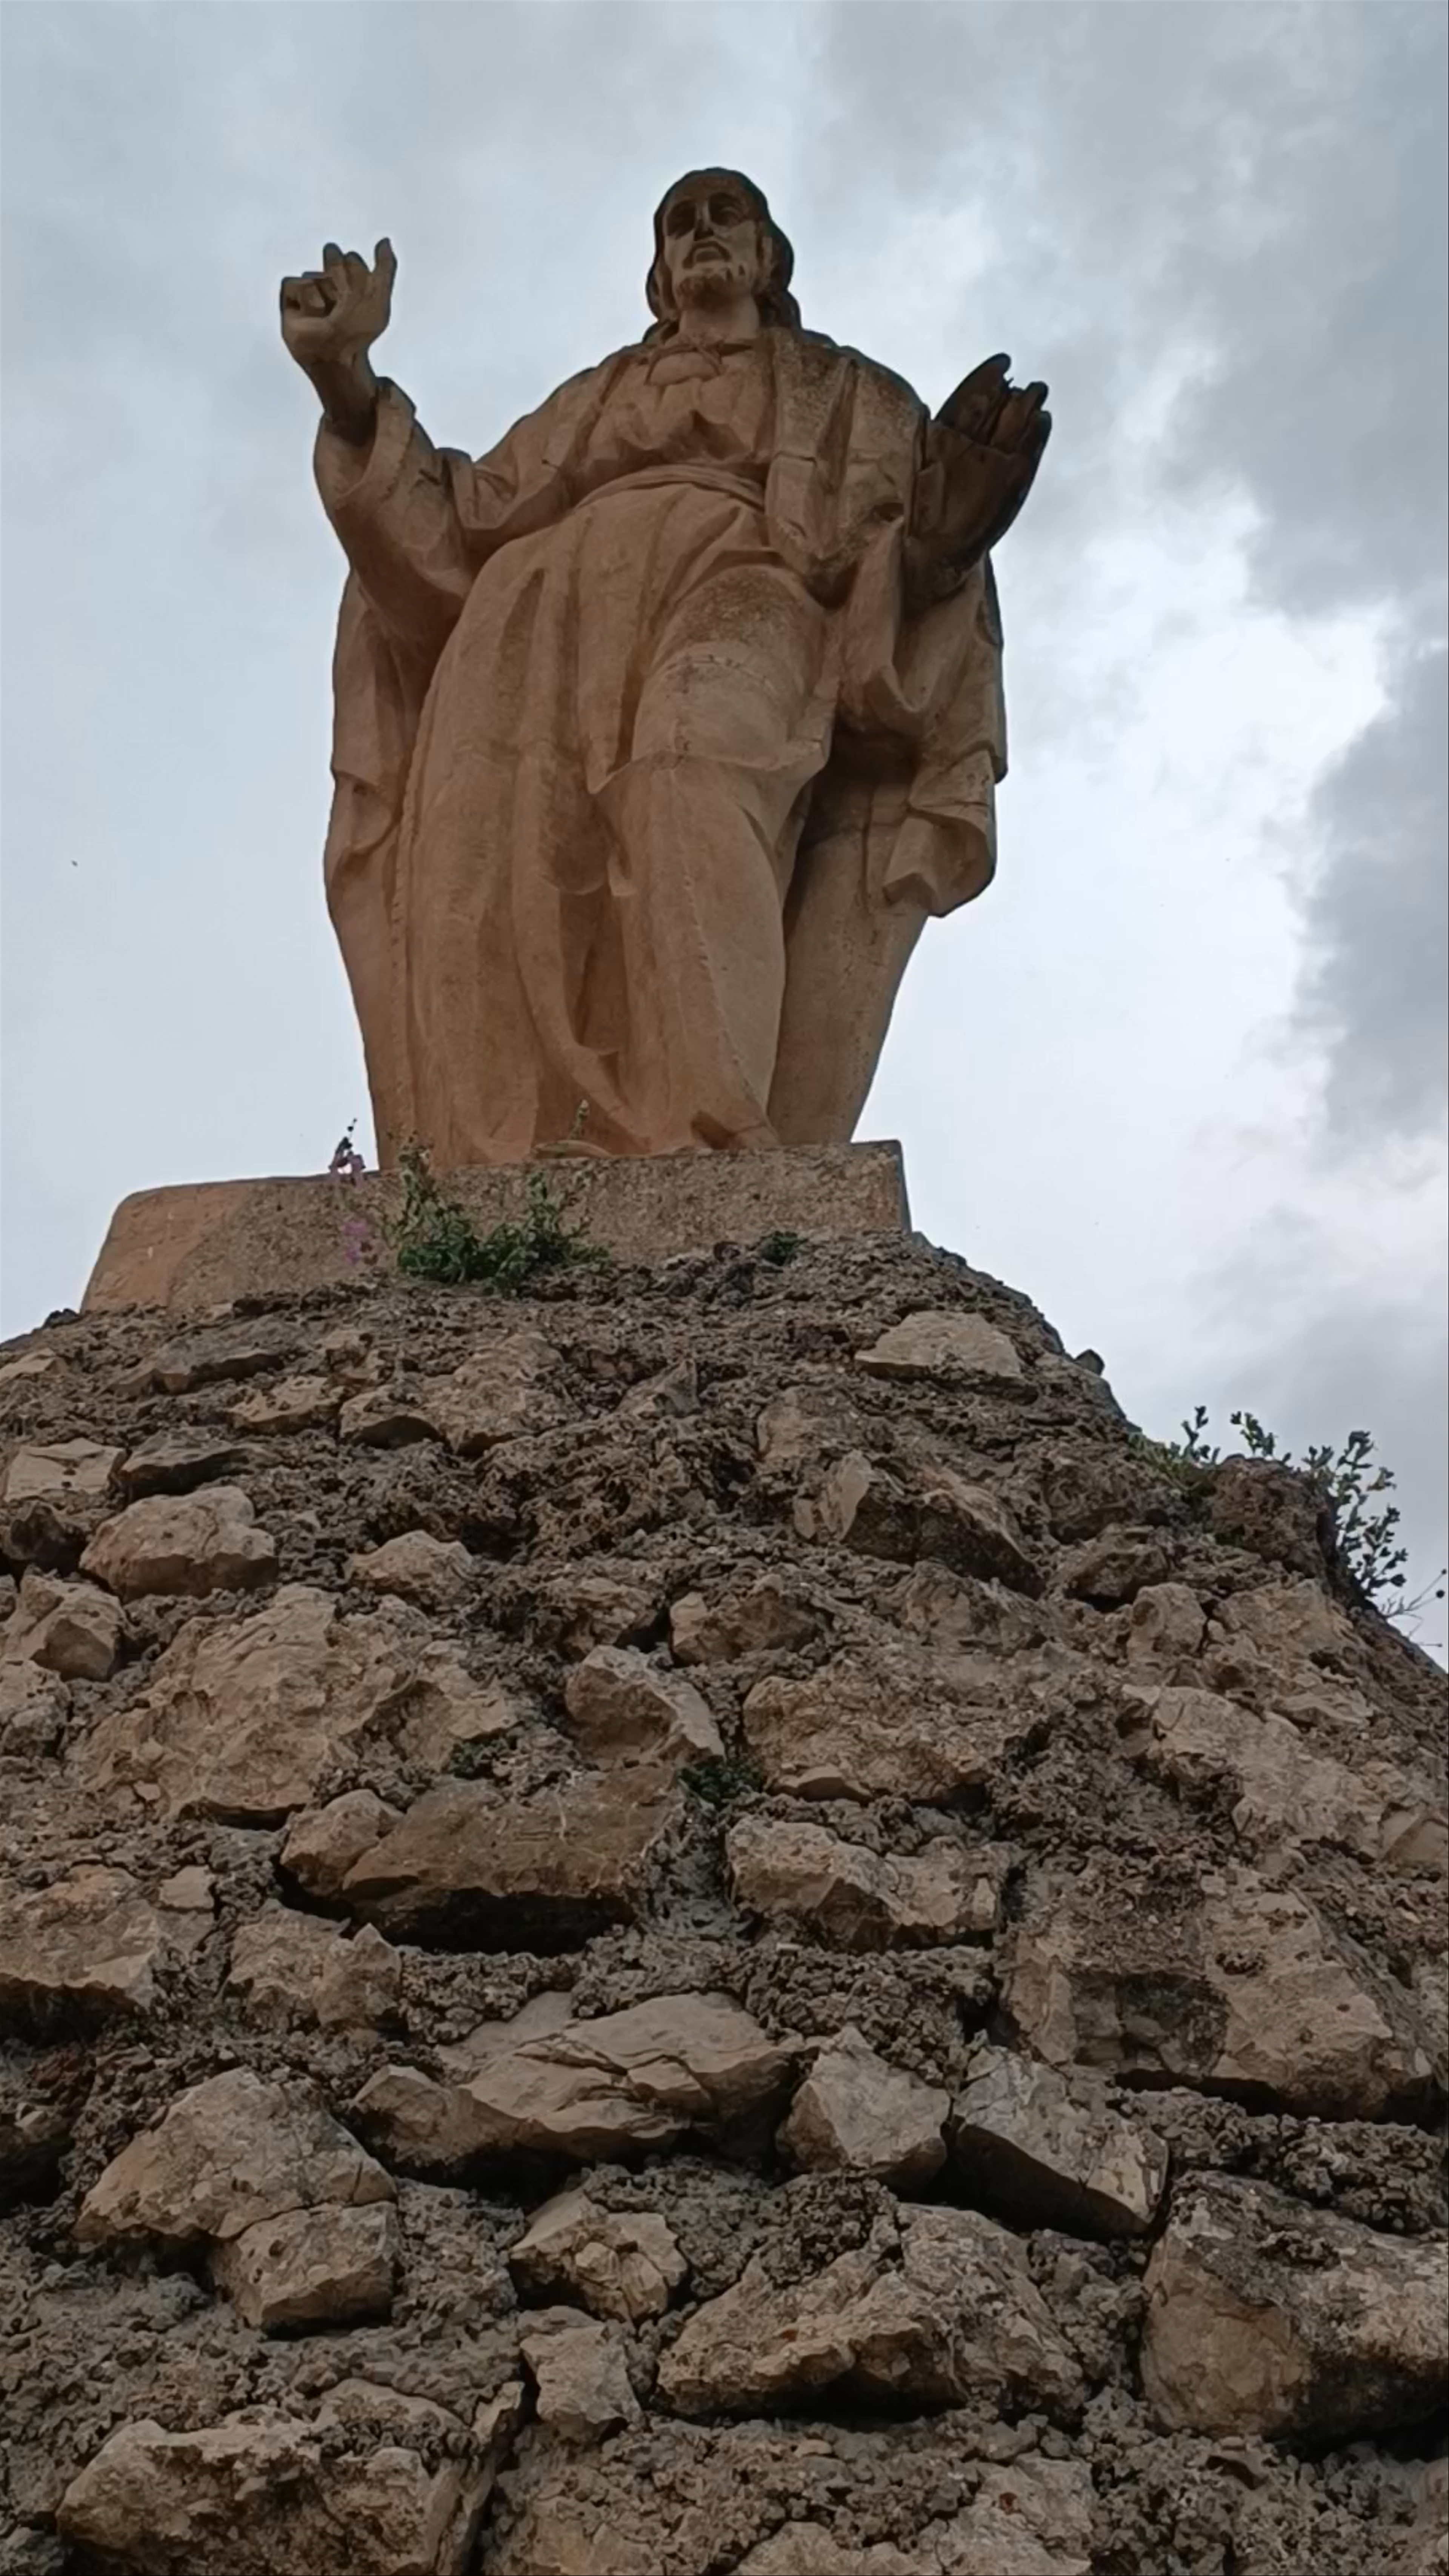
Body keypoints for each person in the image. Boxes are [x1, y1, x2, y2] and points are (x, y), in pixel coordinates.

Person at [281, 170, 1049, 1167]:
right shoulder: (603, 393)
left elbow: (897, 559)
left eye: (726, 215)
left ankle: (713, 1139)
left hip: (748, 578)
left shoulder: (846, 391)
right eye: (679, 223)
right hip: (542, 611)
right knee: (486, 839)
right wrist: (347, 388)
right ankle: (501, 1163)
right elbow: (454, 520)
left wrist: (938, 553)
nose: (701, 235)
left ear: (770, 258)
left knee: (690, 770)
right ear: (657, 271)